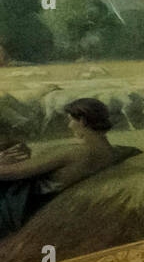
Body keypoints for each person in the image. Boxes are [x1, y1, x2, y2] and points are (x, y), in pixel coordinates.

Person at [0, 99, 135, 234]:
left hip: (26, 206)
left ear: (82, 121)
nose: (69, 125)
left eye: (70, 120)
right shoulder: (117, 152)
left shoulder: (73, 152)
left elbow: (9, 173)